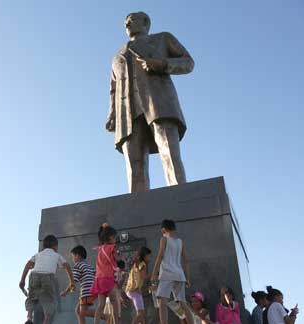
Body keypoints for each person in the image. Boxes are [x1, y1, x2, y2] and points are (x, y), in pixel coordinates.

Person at [106, 12, 195, 192]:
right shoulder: (117, 56)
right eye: (125, 23)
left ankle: (180, 195)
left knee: (169, 152)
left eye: (131, 20)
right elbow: (113, 89)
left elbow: (188, 62)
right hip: (128, 114)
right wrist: (112, 113)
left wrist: (161, 64)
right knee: (134, 164)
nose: (127, 24)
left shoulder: (162, 39)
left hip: (159, 104)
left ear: (145, 22)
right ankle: (137, 208)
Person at [20, 234, 75, 324]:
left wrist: (22, 280)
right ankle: (46, 321)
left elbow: (27, 265)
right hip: (48, 277)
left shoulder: (38, 255)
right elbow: (67, 266)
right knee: (49, 301)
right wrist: (72, 282)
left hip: (34, 275)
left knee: (32, 297)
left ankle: (29, 317)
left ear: (44, 246)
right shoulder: (56, 255)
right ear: (55, 246)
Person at [151, 219, 192, 324]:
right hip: (179, 275)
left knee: (162, 302)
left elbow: (160, 256)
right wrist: (187, 278)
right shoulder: (180, 242)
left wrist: (154, 272)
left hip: (167, 274)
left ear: (164, 229)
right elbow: (186, 261)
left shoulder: (164, 239)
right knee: (183, 303)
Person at [60, 245, 106, 324]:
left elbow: (73, 281)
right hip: (94, 290)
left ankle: (107, 316)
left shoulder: (78, 265)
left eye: (73, 256)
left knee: (83, 312)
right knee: (78, 310)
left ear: (77, 255)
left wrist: (65, 292)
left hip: (87, 291)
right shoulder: (88, 265)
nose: (73, 259)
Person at [91, 223, 120, 324]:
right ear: (111, 237)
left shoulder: (100, 249)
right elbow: (117, 258)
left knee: (101, 305)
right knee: (114, 303)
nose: (115, 239)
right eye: (115, 237)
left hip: (99, 280)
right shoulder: (112, 247)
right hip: (108, 279)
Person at [126, 246, 152, 324]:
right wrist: (154, 274)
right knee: (141, 314)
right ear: (144, 256)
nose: (150, 258)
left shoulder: (135, 265)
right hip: (135, 291)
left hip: (130, 290)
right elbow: (144, 277)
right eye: (149, 256)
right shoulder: (142, 265)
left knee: (140, 313)